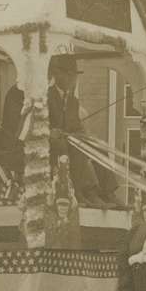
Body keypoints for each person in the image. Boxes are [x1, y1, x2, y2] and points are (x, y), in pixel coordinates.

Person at [47, 56, 120, 209]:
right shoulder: (47, 97)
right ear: (57, 75)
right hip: (53, 145)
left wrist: (84, 136)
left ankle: (108, 193)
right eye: (69, 75)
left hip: (70, 140)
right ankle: (83, 193)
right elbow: (41, 124)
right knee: (76, 150)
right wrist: (52, 131)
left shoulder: (73, 101)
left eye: (74, 76)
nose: (72, 80)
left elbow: (76, 126)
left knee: (97, 148)